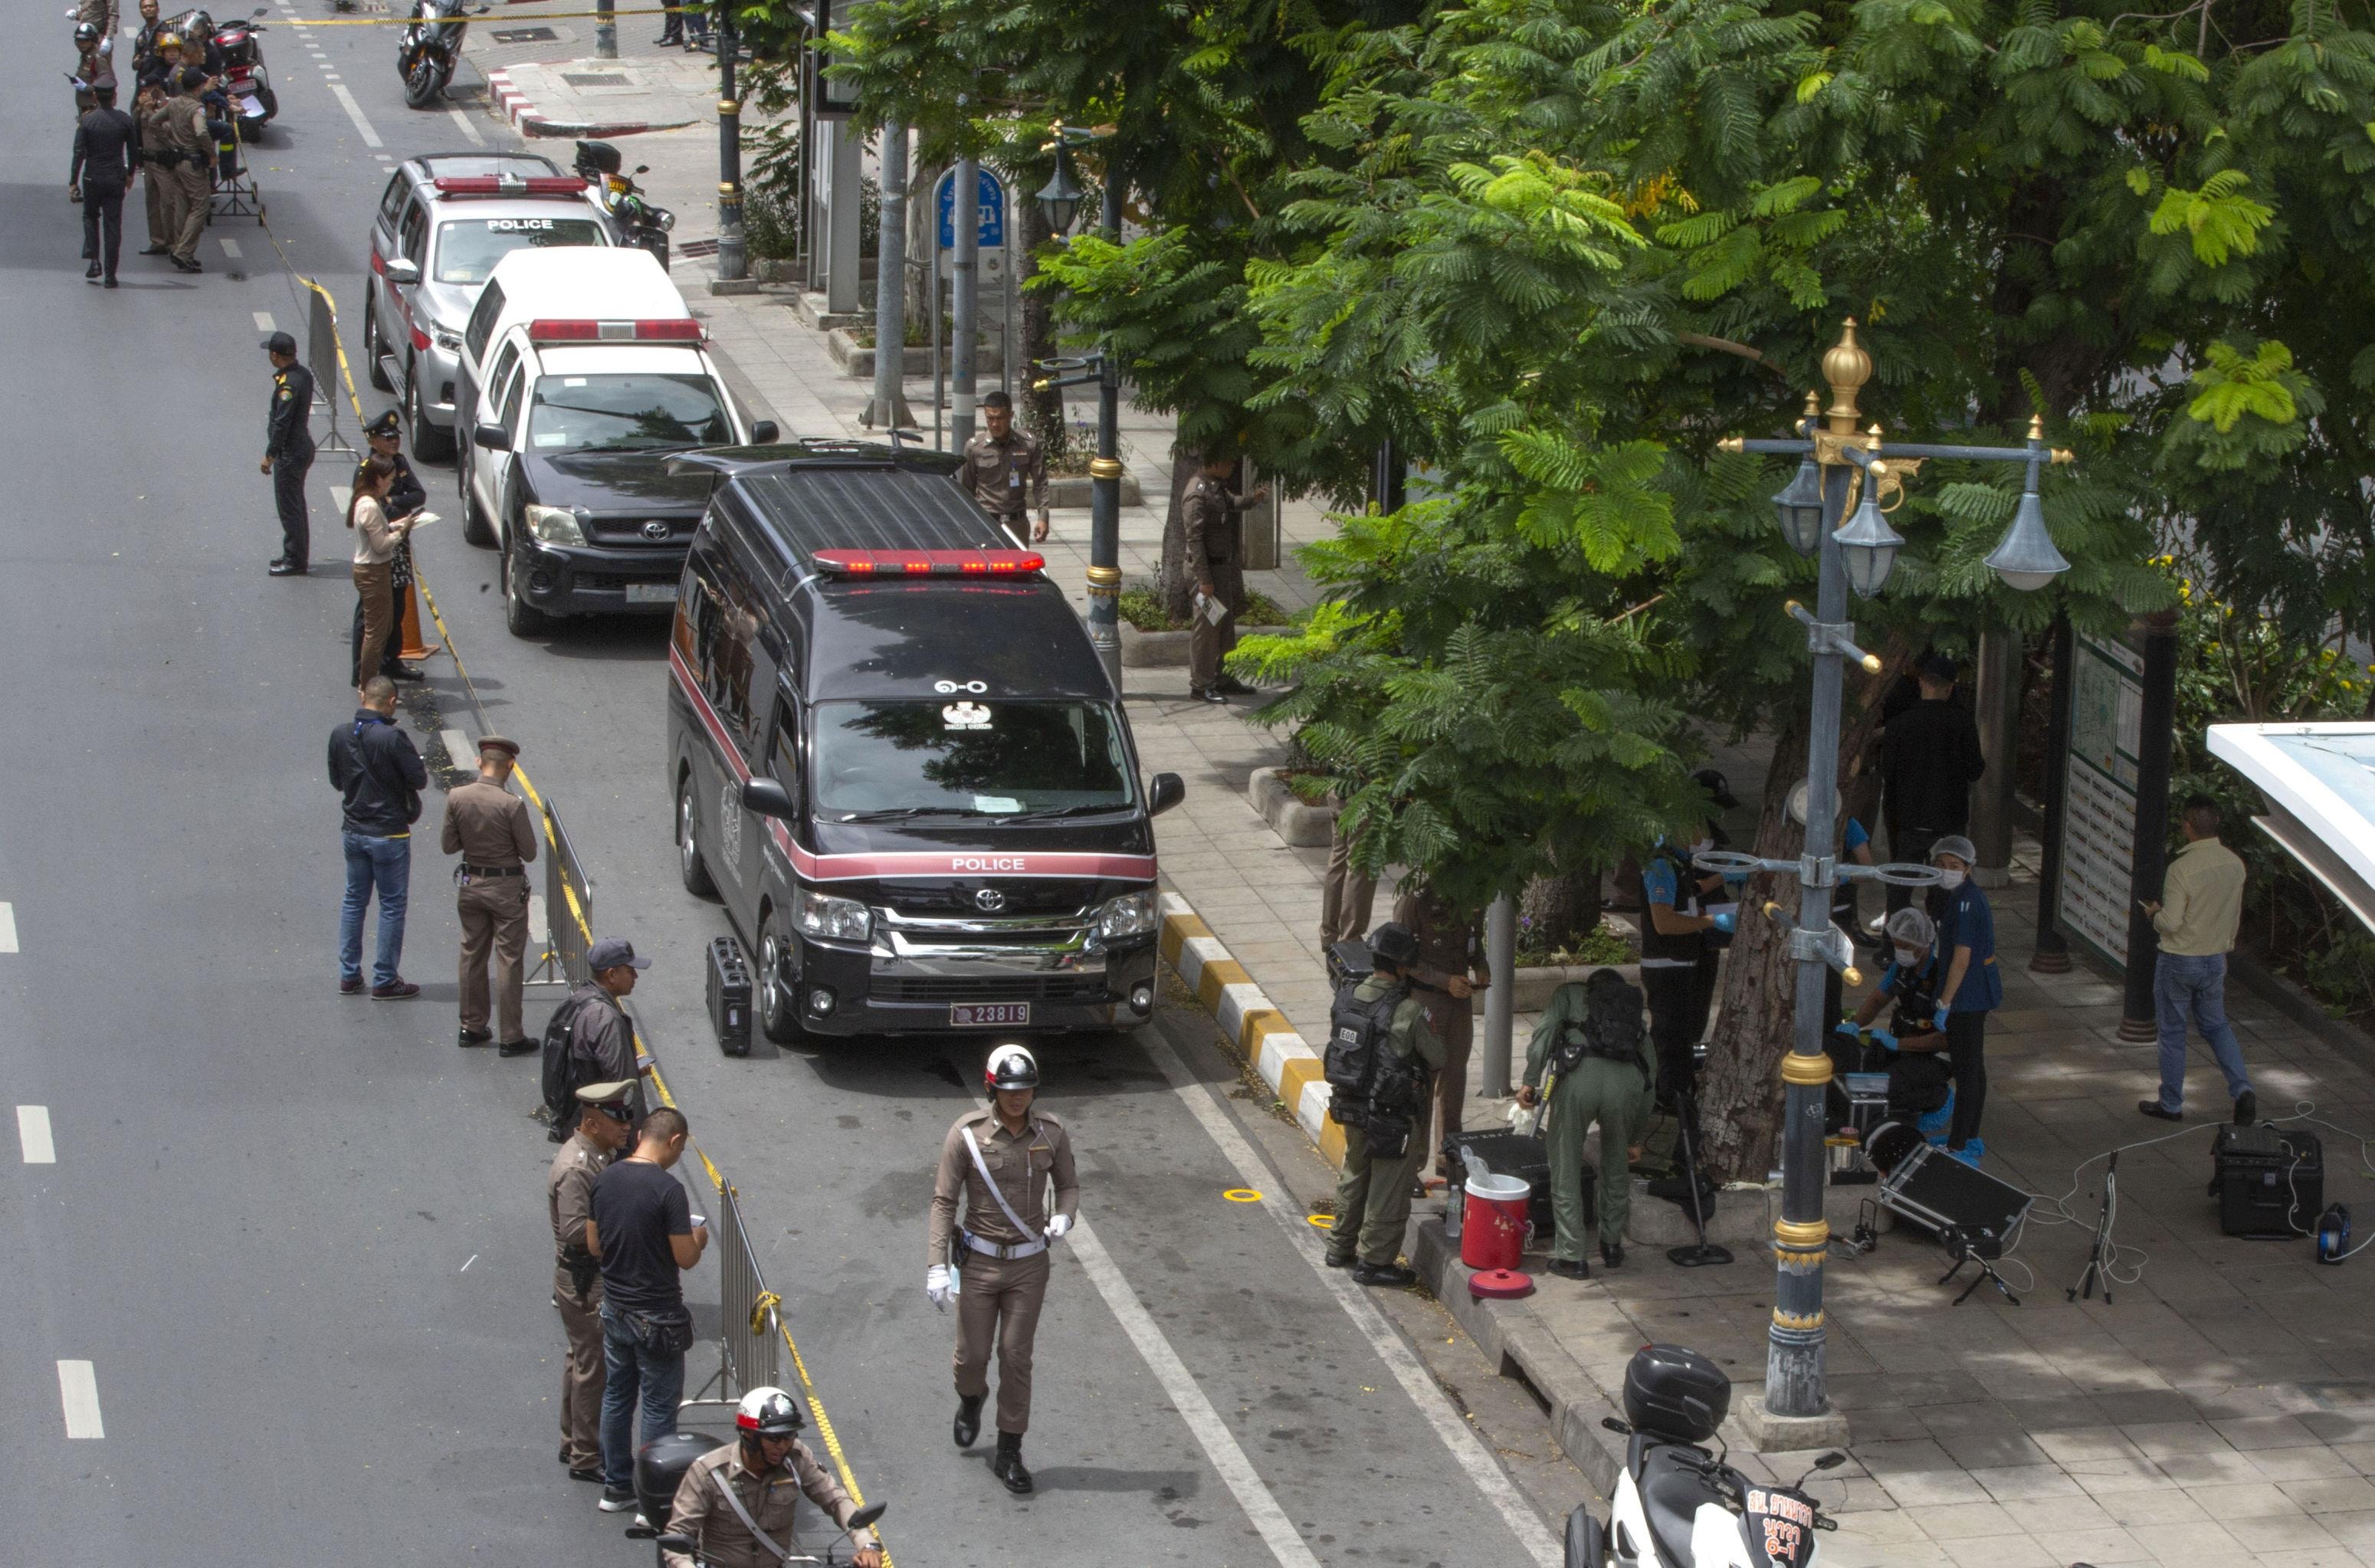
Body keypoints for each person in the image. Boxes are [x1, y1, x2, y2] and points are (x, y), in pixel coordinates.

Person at [926, 1043, 1078, 1497]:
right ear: (992, 1089)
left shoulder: (1051, 1133)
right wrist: (936, 1266)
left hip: (1030, 1265)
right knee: (972, 1358)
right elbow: (944, 1201)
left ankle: (1010, 1450)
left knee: (1015, 1355)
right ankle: (972, 1400)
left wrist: (1065, 1217)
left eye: (1026, 1089)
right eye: (1010, 1089)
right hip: (978, 1264)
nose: (1019, 1097)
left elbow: (1068, 1185)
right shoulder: (966, 1135)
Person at [588, 1104, 709, 1514]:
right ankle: (652, 1499)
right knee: (659, 1407)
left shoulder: (605, 1178)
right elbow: (686, 1257)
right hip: (657, 1317)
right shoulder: (668, 1190)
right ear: (674, 1141)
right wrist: (699, 1237)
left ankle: (615, 1486)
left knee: (617, 1397)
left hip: (615, 1310)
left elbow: (594, 1245)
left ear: (640, 1135)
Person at [1323, 923, 1445, 1286]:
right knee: (1388, 1187)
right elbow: (1437, 1056)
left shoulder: (1345, 997)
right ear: (1404, 965)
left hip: (1351, 1105)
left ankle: (1339, 1246)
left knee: (1354, 1173)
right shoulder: (1407, 1011)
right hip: (1391, 1115)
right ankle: (1374, 1262)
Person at [1519, 969, 1655, 1278]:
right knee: (1616, 1165)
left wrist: (1530, 1080)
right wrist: (1635, 1137)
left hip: (1578, 1080)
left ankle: (1572, 1256)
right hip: (1625, 1085)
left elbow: (1546, 1031)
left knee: (1565, 1165)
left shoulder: (1568, 995)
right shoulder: (1632, 1016)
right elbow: (1651, 1083)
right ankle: (1612, 1246)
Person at [662, 1389, 884, 1568]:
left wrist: (866, 1544)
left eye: (790, 1436)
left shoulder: (796, 1459)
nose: (783, 1445)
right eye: (774, 1438)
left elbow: (836, 1500)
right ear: (748, 1434)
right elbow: (677, 1536)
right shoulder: (709, 1473)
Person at [2139, 795, 2255, 1124]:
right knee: (2217, 1026)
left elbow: (2172, 922)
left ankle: (2172, 1103)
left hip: (2180, 959)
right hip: (2215, 958)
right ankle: (2243, 1089)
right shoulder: (2234, 864)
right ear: (2216, 823)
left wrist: (2155, 916)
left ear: (2187, 826)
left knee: (2173, 1032)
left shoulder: (2181, 869)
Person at [549, 1079, 634, 1483]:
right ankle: (586, 1454)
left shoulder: (597, 1156)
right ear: (593, 1121)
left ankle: (573, 1441)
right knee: (593, 1366)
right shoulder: (578, 1167)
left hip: (584, 1278)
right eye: (617, 1120)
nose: (627, 1127)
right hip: (585, 1281)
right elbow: (574, 1232)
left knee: (581, 1359)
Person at [327, 675, 425, 999]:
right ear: (392, 702)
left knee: (354, 901)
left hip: (353, 830)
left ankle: (348, 974)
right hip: (389, 833)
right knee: (392, 905)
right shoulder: (393, 737)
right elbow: (419, 778)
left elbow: (337, 781)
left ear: (362, 696)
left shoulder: (340, 734)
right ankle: (384, 978)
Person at [441, 734, 538, 1052]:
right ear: (510, 766)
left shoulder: (457, 796)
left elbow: (448, 845)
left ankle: (471, 1026)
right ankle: (511, 1035)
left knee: (471, 953)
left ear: (480, 762)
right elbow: (530, 851)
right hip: (505, 888)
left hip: (471, 885)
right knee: (508, 960)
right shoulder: (511, 804)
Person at [1393, 884, 1489, 1180]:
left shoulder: (1473, 891)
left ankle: (1449, 1155)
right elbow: (1402, 959)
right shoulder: (1416, 900)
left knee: (1455, 1074)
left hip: (1458, 999)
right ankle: (1413, 1163)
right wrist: (1443, 980)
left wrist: (1481, 965)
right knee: (1424, 1078)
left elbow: (1473, 940)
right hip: (1426, 998)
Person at [1880, 651, 1985, 914]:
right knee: (1946, 888)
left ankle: (1892, 944)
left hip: (1909, 818)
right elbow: (1975, 770)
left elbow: (1887, 772)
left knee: (1900, 886)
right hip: (1949, 820)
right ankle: (1943, 938)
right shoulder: (1962, 723)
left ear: (1921, 683)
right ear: (1950, 688)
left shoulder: (1900, 724)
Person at [1922, 835, 2000, 1153]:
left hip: (1967, 996)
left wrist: (1945, 1001)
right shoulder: (1958, 896)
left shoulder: (1967, 902)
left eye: (1954, 866)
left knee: (1967, 1071)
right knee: (1974, 1068)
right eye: (1941, 865)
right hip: (1972, 992)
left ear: (1968, 868)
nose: (1946, 871)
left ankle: (1959, 1144)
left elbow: (1962, 958)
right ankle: (1968, 1136)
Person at [1179, 448, 1269, 705]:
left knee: (1225, 626)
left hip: (1221, 569)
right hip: (1205, 572)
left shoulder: (1214, 487)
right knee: (1206, 631)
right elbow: (1194, 540)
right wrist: (1204, 580)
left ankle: (1224, 676)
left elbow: (1231, 503)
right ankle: (1201, 684)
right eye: (1229, 463)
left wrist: (1254, 499)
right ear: (1215, 464)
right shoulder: (1197, 494)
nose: (1232, 468)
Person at [544, 937, 655, 1129]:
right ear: (611, 974)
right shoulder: (606, 1018)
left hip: (581, 1117)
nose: (635, 976)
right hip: (605, 1127)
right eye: (630, 971)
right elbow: (622, 1085)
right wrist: (635, 1138)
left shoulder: (578, 1001)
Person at [354, 411, 426, 684]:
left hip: (397, 544)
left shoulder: (400, 463)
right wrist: (395, 507)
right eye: (388, 438)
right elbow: (366, 504)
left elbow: (419, 495)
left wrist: (393, 502)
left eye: (396, 437)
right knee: (371, 619)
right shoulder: (367, 469)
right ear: (373, 441)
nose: (395, 442)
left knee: (397, 609)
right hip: (378, 554)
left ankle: (391, 661)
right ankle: (362, 670)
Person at [348, 456, 420, 689]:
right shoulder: (369, 505)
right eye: (388, 481)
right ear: (378, 479)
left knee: (383, 627)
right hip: (373, 572)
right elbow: (379, 545)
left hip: (376, 570)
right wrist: (401, 533)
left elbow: (377, 532)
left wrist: (395, 526)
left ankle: (370, 678)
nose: (390, 485)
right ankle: (367, 684)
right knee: (376, 634)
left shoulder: (368, 502)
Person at [71, 81, 139, 287]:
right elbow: (133, 151)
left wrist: (73, 181)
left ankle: (94, 262)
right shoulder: (125, 121)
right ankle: (111, 275)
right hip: (115, 177)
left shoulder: (88, 121)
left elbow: (79, 153)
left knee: (90, 217)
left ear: (95, 98)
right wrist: (129, 174)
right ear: (115, 97)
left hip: (92, 177)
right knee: (113, 225)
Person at [960, 390, 1051, 543]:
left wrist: (1043, 518)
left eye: (1000, 418)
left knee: (1017, 567)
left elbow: (1040, 483)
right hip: (986, 523)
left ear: (1011, 415)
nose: (995, 424)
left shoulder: (1028, 444)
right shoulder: (974, 448)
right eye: (991, 418)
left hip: (1016, 524)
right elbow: (967, 489)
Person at [261, 331, 316, 575]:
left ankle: (295, 560)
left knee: (290, 508)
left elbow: (282, 423)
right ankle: (292, 552)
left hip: (290, 452)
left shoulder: (289, 384)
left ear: (275, 355)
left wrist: (270, 455)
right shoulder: (301, 374)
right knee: (295, 506)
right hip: (301, 447)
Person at [162, 67, 212, 274]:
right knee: (200, 206)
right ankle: (183, 252)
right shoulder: (196, 108)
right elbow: (201, 132)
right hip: (192, 162)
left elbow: (155, 121)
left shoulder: (173, 103)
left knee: (182, 205)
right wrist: (212, 152)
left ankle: (181, 249)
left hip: (177, 160)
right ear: (199, 86)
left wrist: (167, 140)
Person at [1317, 806, 1376, 954]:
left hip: (1339, 793)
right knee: (1360, 864)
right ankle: (1351, 939)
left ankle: (1328, 935)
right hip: (1363, 798)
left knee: (1339, 859)